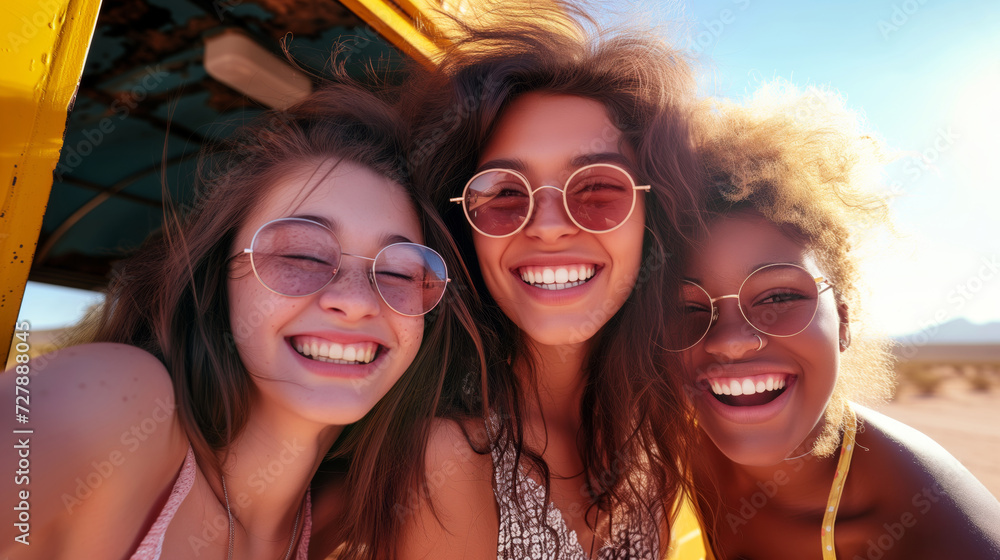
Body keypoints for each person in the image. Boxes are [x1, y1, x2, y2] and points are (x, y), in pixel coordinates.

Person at [0, 80, 478, 560]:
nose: (355, 302)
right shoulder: (115, 401)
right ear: (218, 274)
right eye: (303, 256)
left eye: (399, 272)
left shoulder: (348, 530)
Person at [397, 6, 705, 559]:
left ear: (649, 222)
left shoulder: (654, 442)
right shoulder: (447, 454)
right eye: (503, 194)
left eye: (597, 190)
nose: (548, 227)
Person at [667, 82, 1000, 559]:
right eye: (687, 309)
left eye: (779, 295)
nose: (732, 340)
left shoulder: (934, 529)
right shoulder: (643, 458)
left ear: (844, 318)